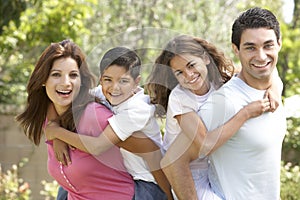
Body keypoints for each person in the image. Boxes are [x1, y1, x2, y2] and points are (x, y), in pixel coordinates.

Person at [145, 34, 282, 199]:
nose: (189, 75)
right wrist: (245, 113)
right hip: (190, 175)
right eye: (179, 72)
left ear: (205, 58)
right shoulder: (180, 98)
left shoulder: (220, 79)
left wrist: (274, 89)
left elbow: (262, 70)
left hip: (213, 169)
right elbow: (204, 144)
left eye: (191, 65)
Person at [45, 46, 173, 200]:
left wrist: (57, 133)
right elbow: (60, 98)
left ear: (136, 82)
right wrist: (56, 134)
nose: (115, 87)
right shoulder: (103, 93)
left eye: (124, 81)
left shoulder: (138, 110)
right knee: (66, 188)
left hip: (148, 182)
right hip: (123, 175)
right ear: (101, 79)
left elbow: (97, 146)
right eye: (108, 80)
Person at [15, 39, 136, 199]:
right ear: (43, 80)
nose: (66, 83)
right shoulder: (50, 118)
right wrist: (57, 131)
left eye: (73, 75)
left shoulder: (94, 115)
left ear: (82, 80)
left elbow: (147, 147)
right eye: (56, 75)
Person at [198, 7, 286, 199]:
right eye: (250, 47)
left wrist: (275, 88)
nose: (261, 56)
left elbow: (271, 75)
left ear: (279, 44)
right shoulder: (224, 102)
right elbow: (180, 160)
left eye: (268, 45)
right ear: (236, 49)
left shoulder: (273, 86)